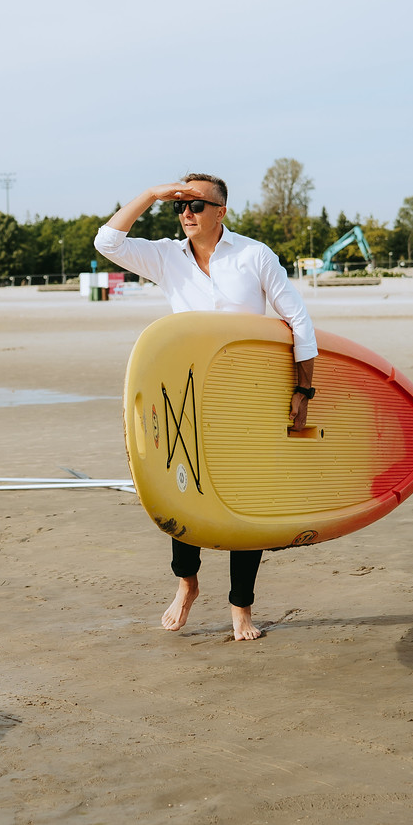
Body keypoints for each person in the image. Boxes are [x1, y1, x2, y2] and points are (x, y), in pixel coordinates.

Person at [95, 174, 317, 642]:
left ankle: (242, 609)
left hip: (247, 395)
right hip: (187, 395)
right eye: (180, 205)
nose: (187, 213)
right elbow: (107, 240)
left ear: (222, 211)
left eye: (197, 204)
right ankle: (187, 583)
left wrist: (304, 391)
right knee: (183, 492)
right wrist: (154, 194)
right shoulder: (164, 257)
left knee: (246, 502)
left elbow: (296, 317)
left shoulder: (254, 255)